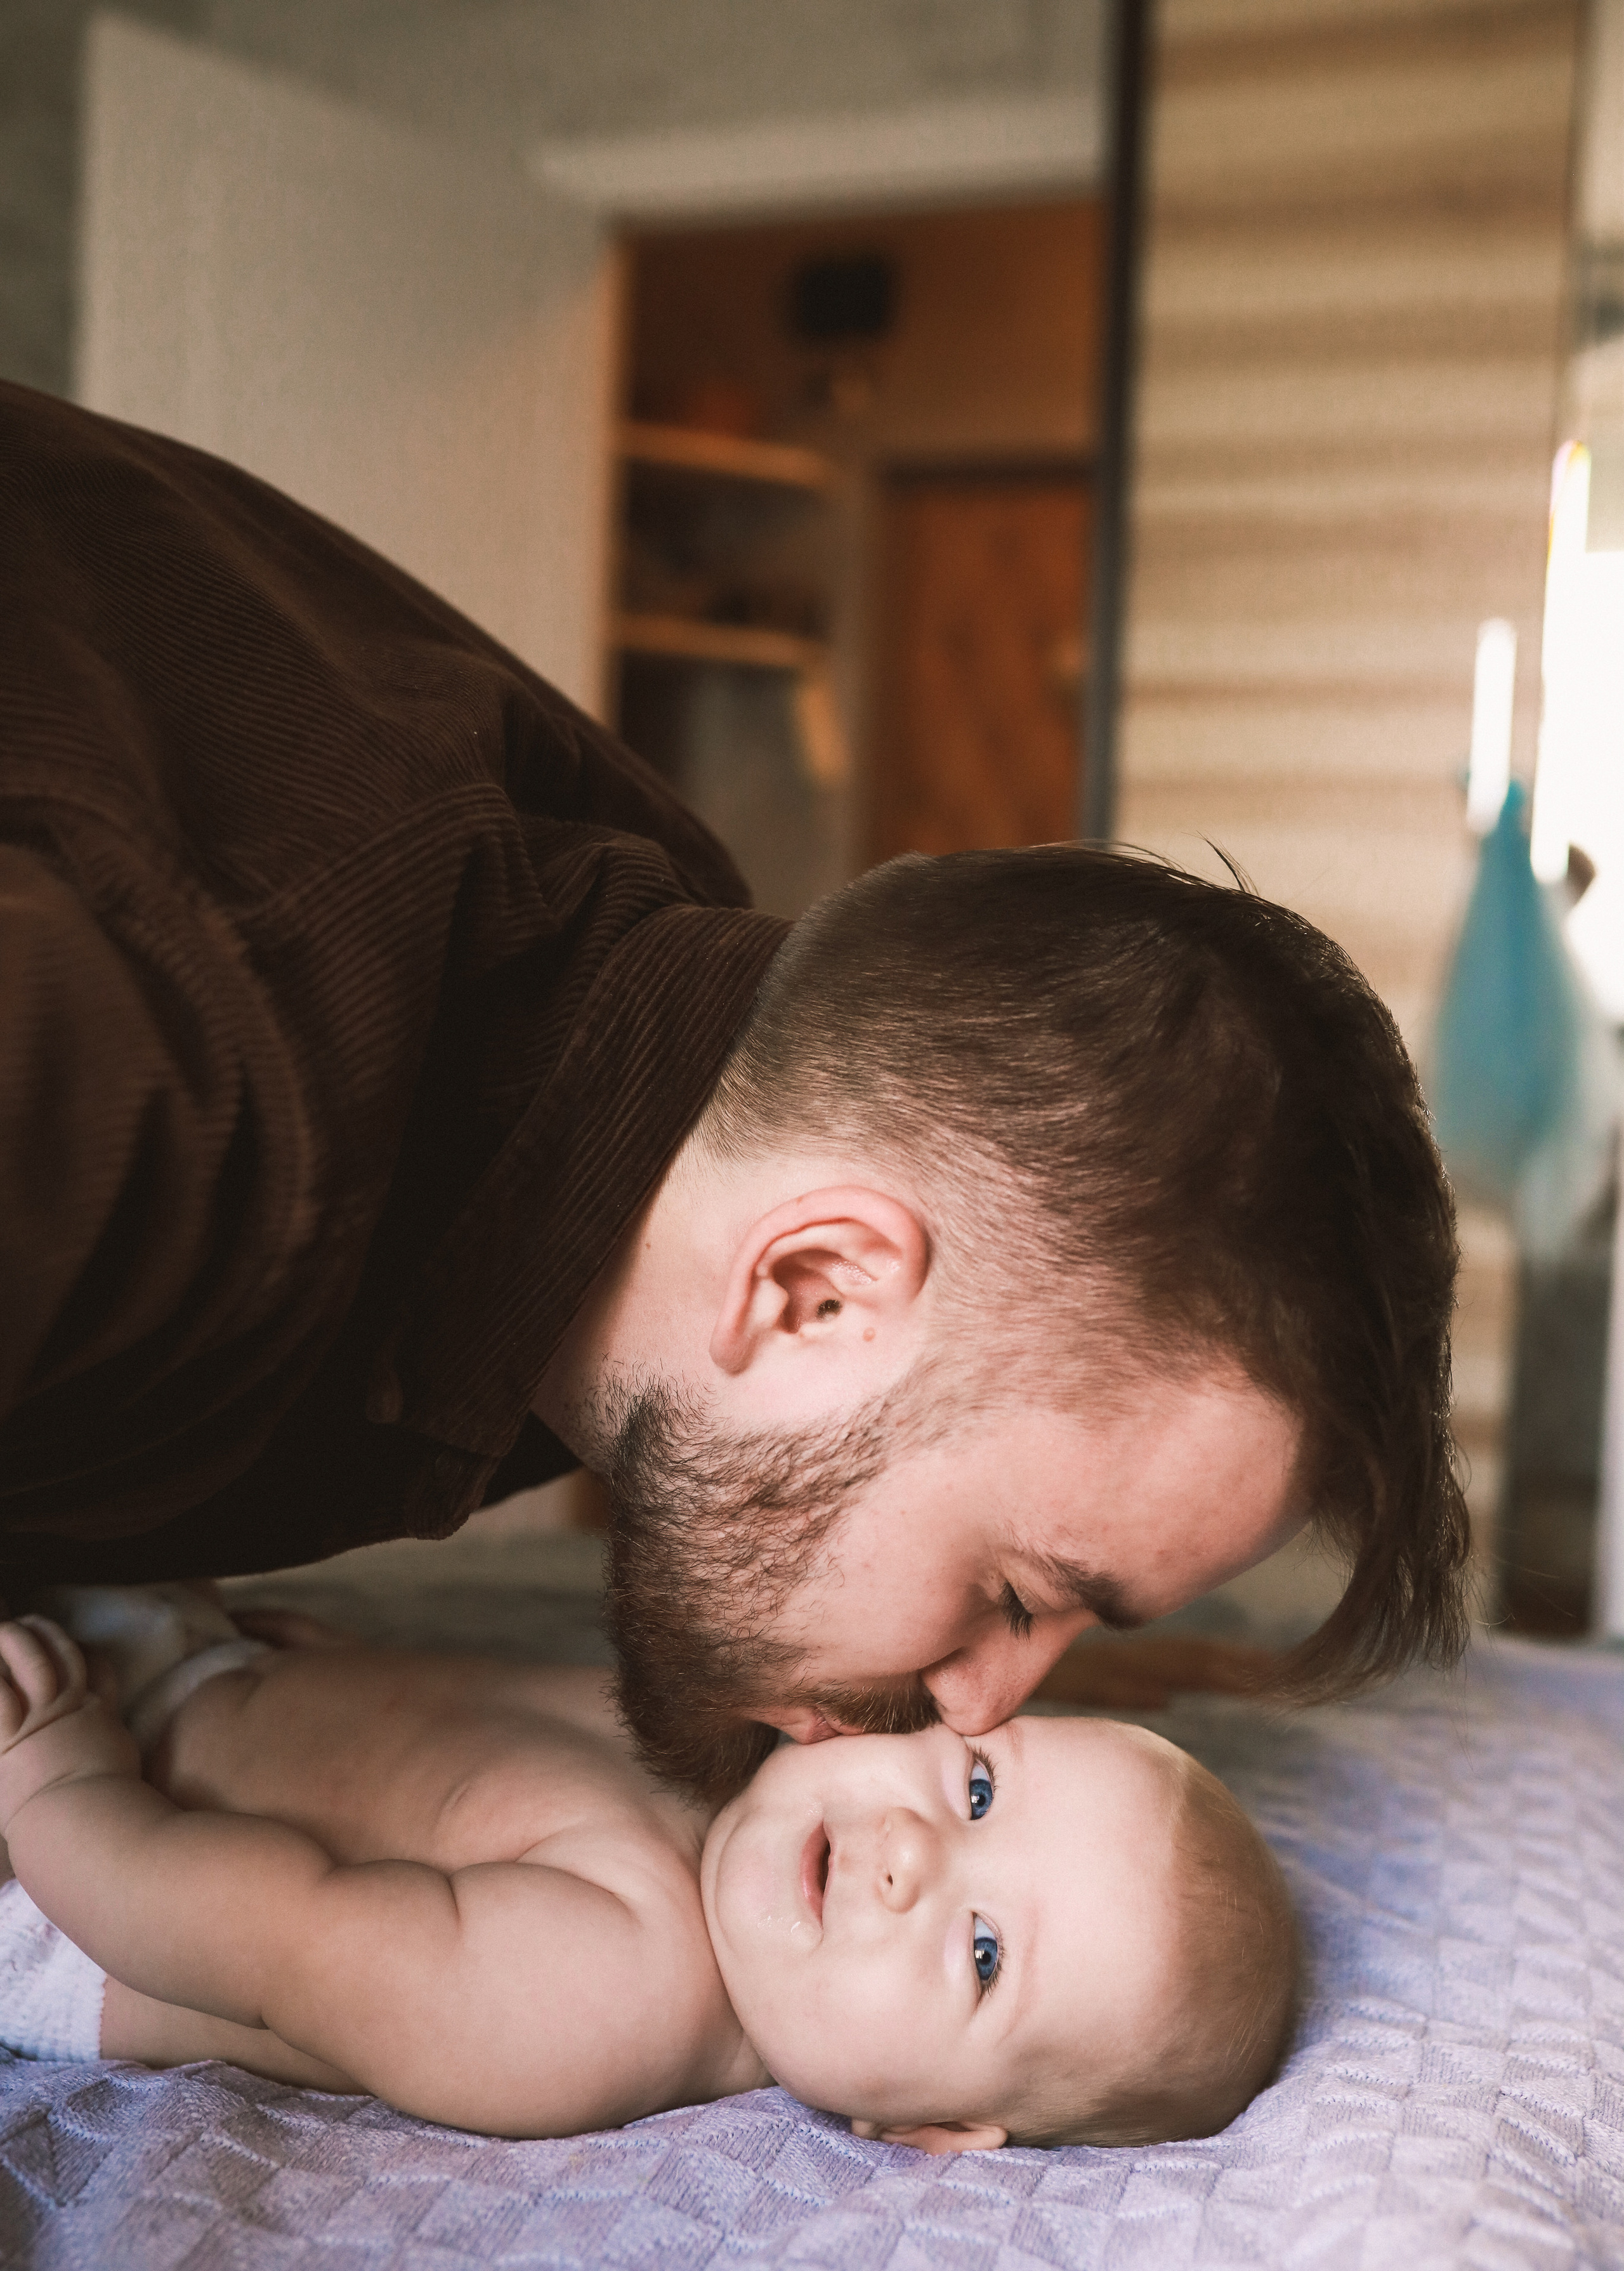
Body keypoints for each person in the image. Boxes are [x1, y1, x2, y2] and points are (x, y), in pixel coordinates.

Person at [0, 381, 1469, 1795]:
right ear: (814, 1286)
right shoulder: (175, 1107)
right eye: (1014, 1597)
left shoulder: (660, 1079)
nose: (981, 1712)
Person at [0, 1603, 1298, 2150]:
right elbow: (489, 1743)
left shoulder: (607, 1992)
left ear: (925, 2129)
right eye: (976, 1789)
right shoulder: (759, 1774)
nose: (913, 1857)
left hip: (77, 1885)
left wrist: (57, 1788)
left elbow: (272, 1938)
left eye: (981, 1955)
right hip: (194, 1681)